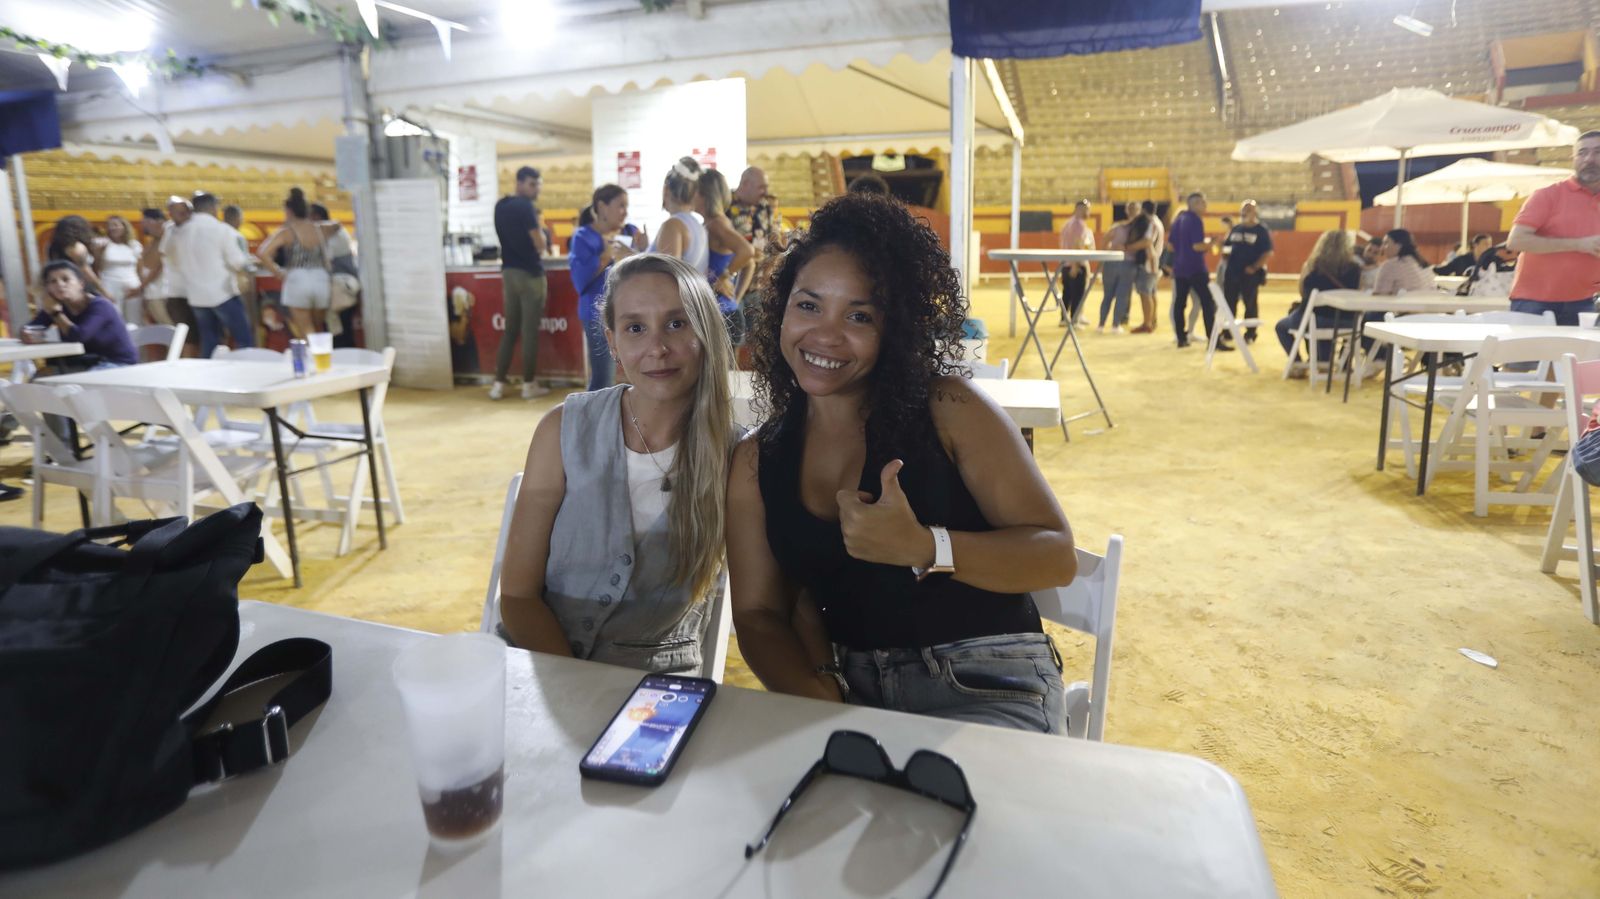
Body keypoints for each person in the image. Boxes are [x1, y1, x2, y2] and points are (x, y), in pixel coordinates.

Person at [726, 194, 1077, 734]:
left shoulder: (949, 410)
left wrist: (924, 547)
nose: (825, 334)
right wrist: (820, 696)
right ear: (780, 308)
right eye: (808, 304)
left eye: (859, 315)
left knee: (935, 817)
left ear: (895, 331)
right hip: (855, 693)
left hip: (988, 682)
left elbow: (1055, 557)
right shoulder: (757, 458)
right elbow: (757, 613)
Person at [498, 253, 735, 673]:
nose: (657, 348)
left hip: (653, 685)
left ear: (707, 330)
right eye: (636, 328)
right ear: (613, 343)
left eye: (677, 323)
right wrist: (574, 683)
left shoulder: (737, 456)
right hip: (541, 662)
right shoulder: (562, 430)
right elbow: (517, 595)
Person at [1505, 131, 1600, 326]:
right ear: (1573, 158)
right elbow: (1516, 241)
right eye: (1582, 153)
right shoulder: (1547, 195)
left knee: (1581, 358)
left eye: (1598, 152)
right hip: (1534, 302)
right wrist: (1580, 244)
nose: (1590, 159)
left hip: (1587, 303)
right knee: (1528, 357)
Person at [569, 184, 646, 390]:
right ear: (602, 207)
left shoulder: (631, 231)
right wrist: (607, 256)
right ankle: (591, 419)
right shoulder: (583, 237)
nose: (625, 212)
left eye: (626, 206)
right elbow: (580, 281)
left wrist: (643, 250)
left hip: (631, 311)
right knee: (603, 377)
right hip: (597, 314)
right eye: (620, 205)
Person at [490, 166, 553, 401]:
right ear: (520, 183)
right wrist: (544, 235)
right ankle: (528, 384)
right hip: (530, 275)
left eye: (538, 185)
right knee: (529, 333)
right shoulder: (526, 207)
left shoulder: (500, 206)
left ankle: (498, 384)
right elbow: (539, 244)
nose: (536, 189)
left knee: (510, 330)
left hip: (508, 273)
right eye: (532, 184)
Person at [166, 193, 252, 357]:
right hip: (222, 293)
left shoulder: (179, 232)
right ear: (213, 208)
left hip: (196, 296)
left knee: (209, 341)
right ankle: (247, 372)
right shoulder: (221, 229)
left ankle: (209, 377)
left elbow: (173, 261)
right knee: (243, 339)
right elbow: (238, 262)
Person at [1275, 229, 1364, 376]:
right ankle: (1334, 362)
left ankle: (1297, 363)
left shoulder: (1313, 266)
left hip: (1314, 320)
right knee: (1320, 321)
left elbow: (1303, 293)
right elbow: (1357, 294)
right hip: (1346, 322)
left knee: (1282, 326)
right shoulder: (1355, 269)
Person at [22, 261, 137, 368]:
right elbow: (31, 328)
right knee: (38, 382)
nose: (60, 285)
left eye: (65, 279)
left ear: (81, 284)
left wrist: (56, 313)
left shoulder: (100, 305)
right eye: (53, 281)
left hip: (116, 363)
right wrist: (26, 334)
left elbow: (79, 337)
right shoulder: (56, 305)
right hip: (83, 363)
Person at [256, 188, 331, 339]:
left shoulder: (286, 231)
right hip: (321, 279)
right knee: (318, 328)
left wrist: (278, 272)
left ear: (289, 211)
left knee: (306, 331)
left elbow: (262, 253)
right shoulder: (319, 229)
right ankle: (322, 359)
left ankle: (310, 360)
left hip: (298, 279)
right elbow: (326, 258)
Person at [698, 168, 755, 346]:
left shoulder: (716, 223)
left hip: (721, 316)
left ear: (704, 194)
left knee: (718, 374)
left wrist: (725, 276)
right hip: (723, 312)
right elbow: (750, 264)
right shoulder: (713, 223)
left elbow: (747, 252)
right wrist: (736, 299)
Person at [1220, 200, 1274, 344]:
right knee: (1229, 302)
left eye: (1248, 210)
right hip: (1232, 273)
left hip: (1250, 274)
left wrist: (1255, 267)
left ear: (1254, 213)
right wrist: (1224, 256)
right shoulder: (1236, 229)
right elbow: (1226, 247)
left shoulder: (1261, 230)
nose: (1244, 213)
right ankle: (1228, 331)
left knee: (1250, 304)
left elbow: (1267, 252)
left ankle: (1250, 333)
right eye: (1243, 211)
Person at [311, 203, 361, 346]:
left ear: (316, 217)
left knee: (339, 332)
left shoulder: (331, 233)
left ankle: (345, 361)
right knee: (341, 331)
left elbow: (325, 261)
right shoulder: (337, 231)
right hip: (344, 287)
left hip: (339, 289)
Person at [1168, 192, 1214, 348]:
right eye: (1203, 203)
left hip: (1179, 268)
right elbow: (1197, 246)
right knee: (1208, 302)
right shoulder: (1195, 220)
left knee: (1179, 303)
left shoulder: (1177, 220)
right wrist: (1210, 244)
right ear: (1195, 204)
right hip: (1195, 267)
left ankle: (1181, 338)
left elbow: (1171, 246)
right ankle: (1213, 339)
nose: (1205, 205)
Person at [649, 156, 709, 277]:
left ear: (666, 189)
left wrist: (628, 256)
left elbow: (666, 278)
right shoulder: (698, 226)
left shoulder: (672, 226)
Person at [94, 214, 144, 324]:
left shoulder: (134, 245)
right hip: (110, 284)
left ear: (124, 227)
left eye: (116, 225)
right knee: (115, 317)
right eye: (110, 226)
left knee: (134, 318)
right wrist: (99, 252)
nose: (113, 228)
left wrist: (141, 287)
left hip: (132, 284)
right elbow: (96, 267)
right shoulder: (102, 243)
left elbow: (140, 268)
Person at [1057, 199, 1095, 327]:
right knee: (1078, 293)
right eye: (1087, 209)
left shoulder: (1067, 224)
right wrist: (1076, 265)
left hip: (1065, 263)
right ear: (1080, 209)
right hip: (1075, 264)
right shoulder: (1080, 225)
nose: (1089, 212)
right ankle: (1075, 320)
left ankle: (1064, 318)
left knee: (1067, 292)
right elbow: (1077, 245)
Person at [1096, 212, 1132, 333]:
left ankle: (1101, 324)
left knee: (1108, 296)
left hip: (1111, 262)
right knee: (1121, 296)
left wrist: (1104, 258)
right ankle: (1115, 325)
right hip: (1127, 263)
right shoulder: (1136, 228)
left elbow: (1105, 241)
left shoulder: (1116, 228)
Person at [1132, 200, 1164, 333]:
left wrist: (1128, 247)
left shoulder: (1151, 223)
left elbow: (1146, 242)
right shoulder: (1158, 222)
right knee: (1151, 293)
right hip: (1154, 262)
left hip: (1148, 263)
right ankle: (1152, 320)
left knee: (1145, 293)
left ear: (1143, 210)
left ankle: (1147, 323)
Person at [1372, 229, 1433, 295]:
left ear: (1399, 245)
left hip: (1402, 304)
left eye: (1386, 243)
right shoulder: (1422, 263)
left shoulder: (1390, 265)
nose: (1382, 248)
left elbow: (1379, 297)